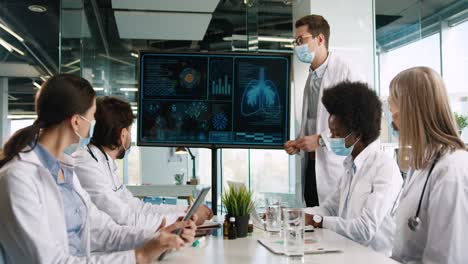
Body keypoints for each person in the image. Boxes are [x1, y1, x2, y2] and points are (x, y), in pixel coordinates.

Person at [0, 74, 196, 263]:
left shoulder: (65, 170)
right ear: (76, 121)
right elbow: (50, 261)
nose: (94, 123)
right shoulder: (17, 178)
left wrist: (158, 236)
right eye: (92, 116)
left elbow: (101, 230)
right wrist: (140, 256)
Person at [73, 96, 213, 230]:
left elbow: (139, 208)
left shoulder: (105, 163)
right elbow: (127, 219)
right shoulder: (85, 164)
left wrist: (185, 211)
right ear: (123, 135)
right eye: (129, 131)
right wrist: (187, 218)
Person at [303, 81, 402, 256]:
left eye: (337, 134)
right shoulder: (351, 165)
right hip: (346, 254)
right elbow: (330, 209)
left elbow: (365, 229)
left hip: (373, 259)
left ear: (357, 134)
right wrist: (294, 215)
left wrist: (317, 221)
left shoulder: (384, 167)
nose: (331, 139)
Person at [388, 67, 468, 263]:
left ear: (411, 112)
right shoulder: (422, 163)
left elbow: (446, 258)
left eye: (393, 111)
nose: (392, 121)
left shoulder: (451, 170)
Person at [284, 15, 361, 207]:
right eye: (297, 41)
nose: (298, 45)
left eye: (302, 40)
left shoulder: (345, 71)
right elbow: (312, 121)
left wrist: (319, 140)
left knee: (330, 226)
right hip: (312, 167)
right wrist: (299, 143)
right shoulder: (312, 78)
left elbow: (356, 123)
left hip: (334, 169)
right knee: (313, 222)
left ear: (320, 39)